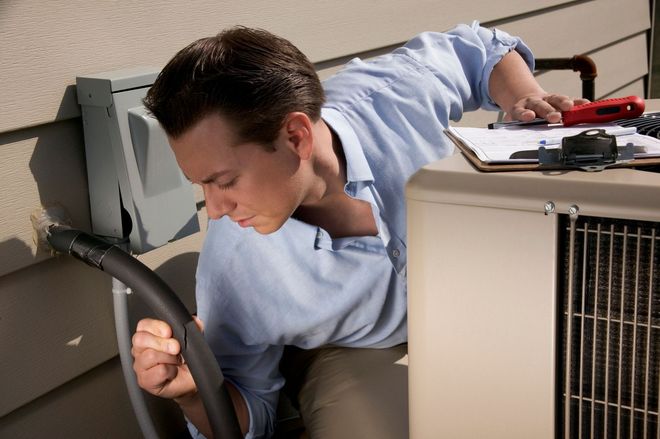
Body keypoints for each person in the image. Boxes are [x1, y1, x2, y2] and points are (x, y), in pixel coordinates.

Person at [131, 21, 587, 439]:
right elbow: (249, 415)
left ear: (296, 137)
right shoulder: (232, 268)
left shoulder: (394, 96)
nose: (215, 209)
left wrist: (522, 97)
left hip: (480, 304)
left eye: (225, 181)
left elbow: (481, 48)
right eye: (202, 186)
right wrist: (194, 393)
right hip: (357, 349)